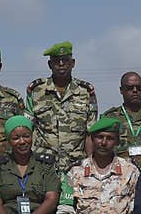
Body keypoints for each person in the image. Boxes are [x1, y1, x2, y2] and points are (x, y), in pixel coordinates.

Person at [25, 41, 97, 172]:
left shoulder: (86, 92)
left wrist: (91, 165)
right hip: (42, 165)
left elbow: (90, 133)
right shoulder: (36, 91)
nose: (61, 64)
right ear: (50, 65)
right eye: (57, 61)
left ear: (73, 63)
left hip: (76, 166)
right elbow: (27, 128)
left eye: (66, 60)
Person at [99, 72, 141, 170]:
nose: (135, 91)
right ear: (121, 90)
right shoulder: (109, 118)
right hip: (118, 176)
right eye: (130, 88)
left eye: (139, 88)